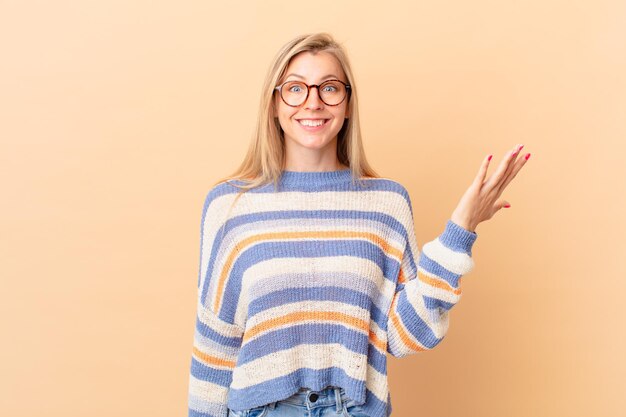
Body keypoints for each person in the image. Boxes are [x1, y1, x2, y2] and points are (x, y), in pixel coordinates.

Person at [187, 33, 531, 417]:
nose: (313, 102)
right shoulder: (229, 205)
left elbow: (406, 335)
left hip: (354, 408)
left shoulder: (386, 203)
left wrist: (460, 230)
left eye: (330, 88)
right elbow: (216, 344)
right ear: (273, 103)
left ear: (348, 104)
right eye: (296, 88)